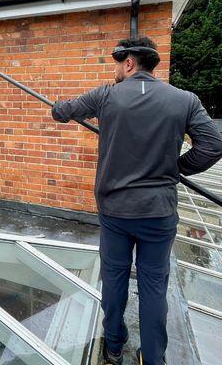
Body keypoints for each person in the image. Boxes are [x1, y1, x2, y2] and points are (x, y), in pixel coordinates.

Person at [51, 36, 222, 365]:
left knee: (113, 280)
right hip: (159, 213)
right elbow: (213, 145)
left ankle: (114, 345)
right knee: (154, 285)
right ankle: (153, 357)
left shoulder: (106, 96)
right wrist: (176, 168)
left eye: (117, 62)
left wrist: (57, 107)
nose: (115, 69)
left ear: (129, 62)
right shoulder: (185, 100)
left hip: (116, 213)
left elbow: (65, 111)